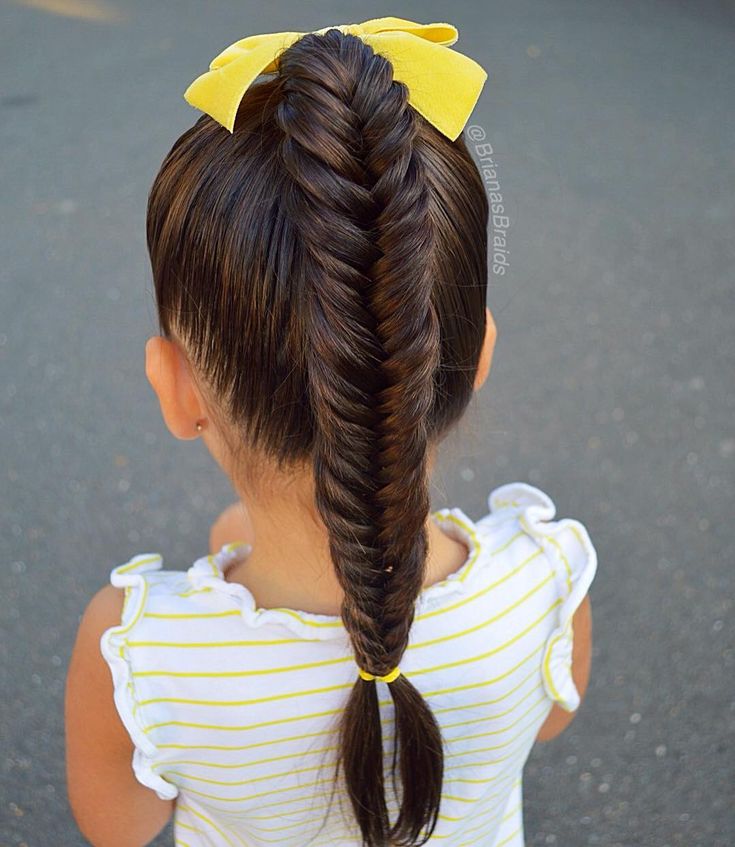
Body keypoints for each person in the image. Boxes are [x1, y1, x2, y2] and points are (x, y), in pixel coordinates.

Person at [65, 16, 596, 847]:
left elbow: (120, 828)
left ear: (176, 389)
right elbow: (548, 721)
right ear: (476, 353)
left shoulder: (139, 654)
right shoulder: (547, 577)